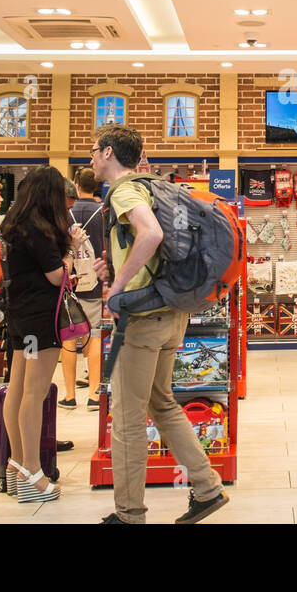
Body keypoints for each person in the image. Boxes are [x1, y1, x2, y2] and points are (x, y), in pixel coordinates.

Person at [90, 123, 228, 524]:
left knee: (128, 417)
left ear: (111, 153)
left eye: (96, 150)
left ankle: (129, 513)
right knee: (162, 403)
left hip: (142, 321)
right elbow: (148, 244)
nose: (92, 158)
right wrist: (114, 265)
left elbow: (149, 234)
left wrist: (116, 285)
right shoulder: (153, 185)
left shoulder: (125, 189)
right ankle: (206, 488)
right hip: (172, 314)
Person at [0, 166, 83, 503]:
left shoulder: (15, 224)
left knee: (18, 389)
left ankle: (16, 464)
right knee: (34, 393)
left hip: (20, 316)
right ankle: (33, 473)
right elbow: (56, 276)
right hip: (40, 318)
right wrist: (73, 250)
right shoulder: (41, 230)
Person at [61, 167, 105, 410]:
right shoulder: (102, 212)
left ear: (77, 184)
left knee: (68, 338)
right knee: (94, 334)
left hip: (69, 281)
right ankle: (94, 394)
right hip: (95, 280)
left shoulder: (66, 211)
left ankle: (69, 395)